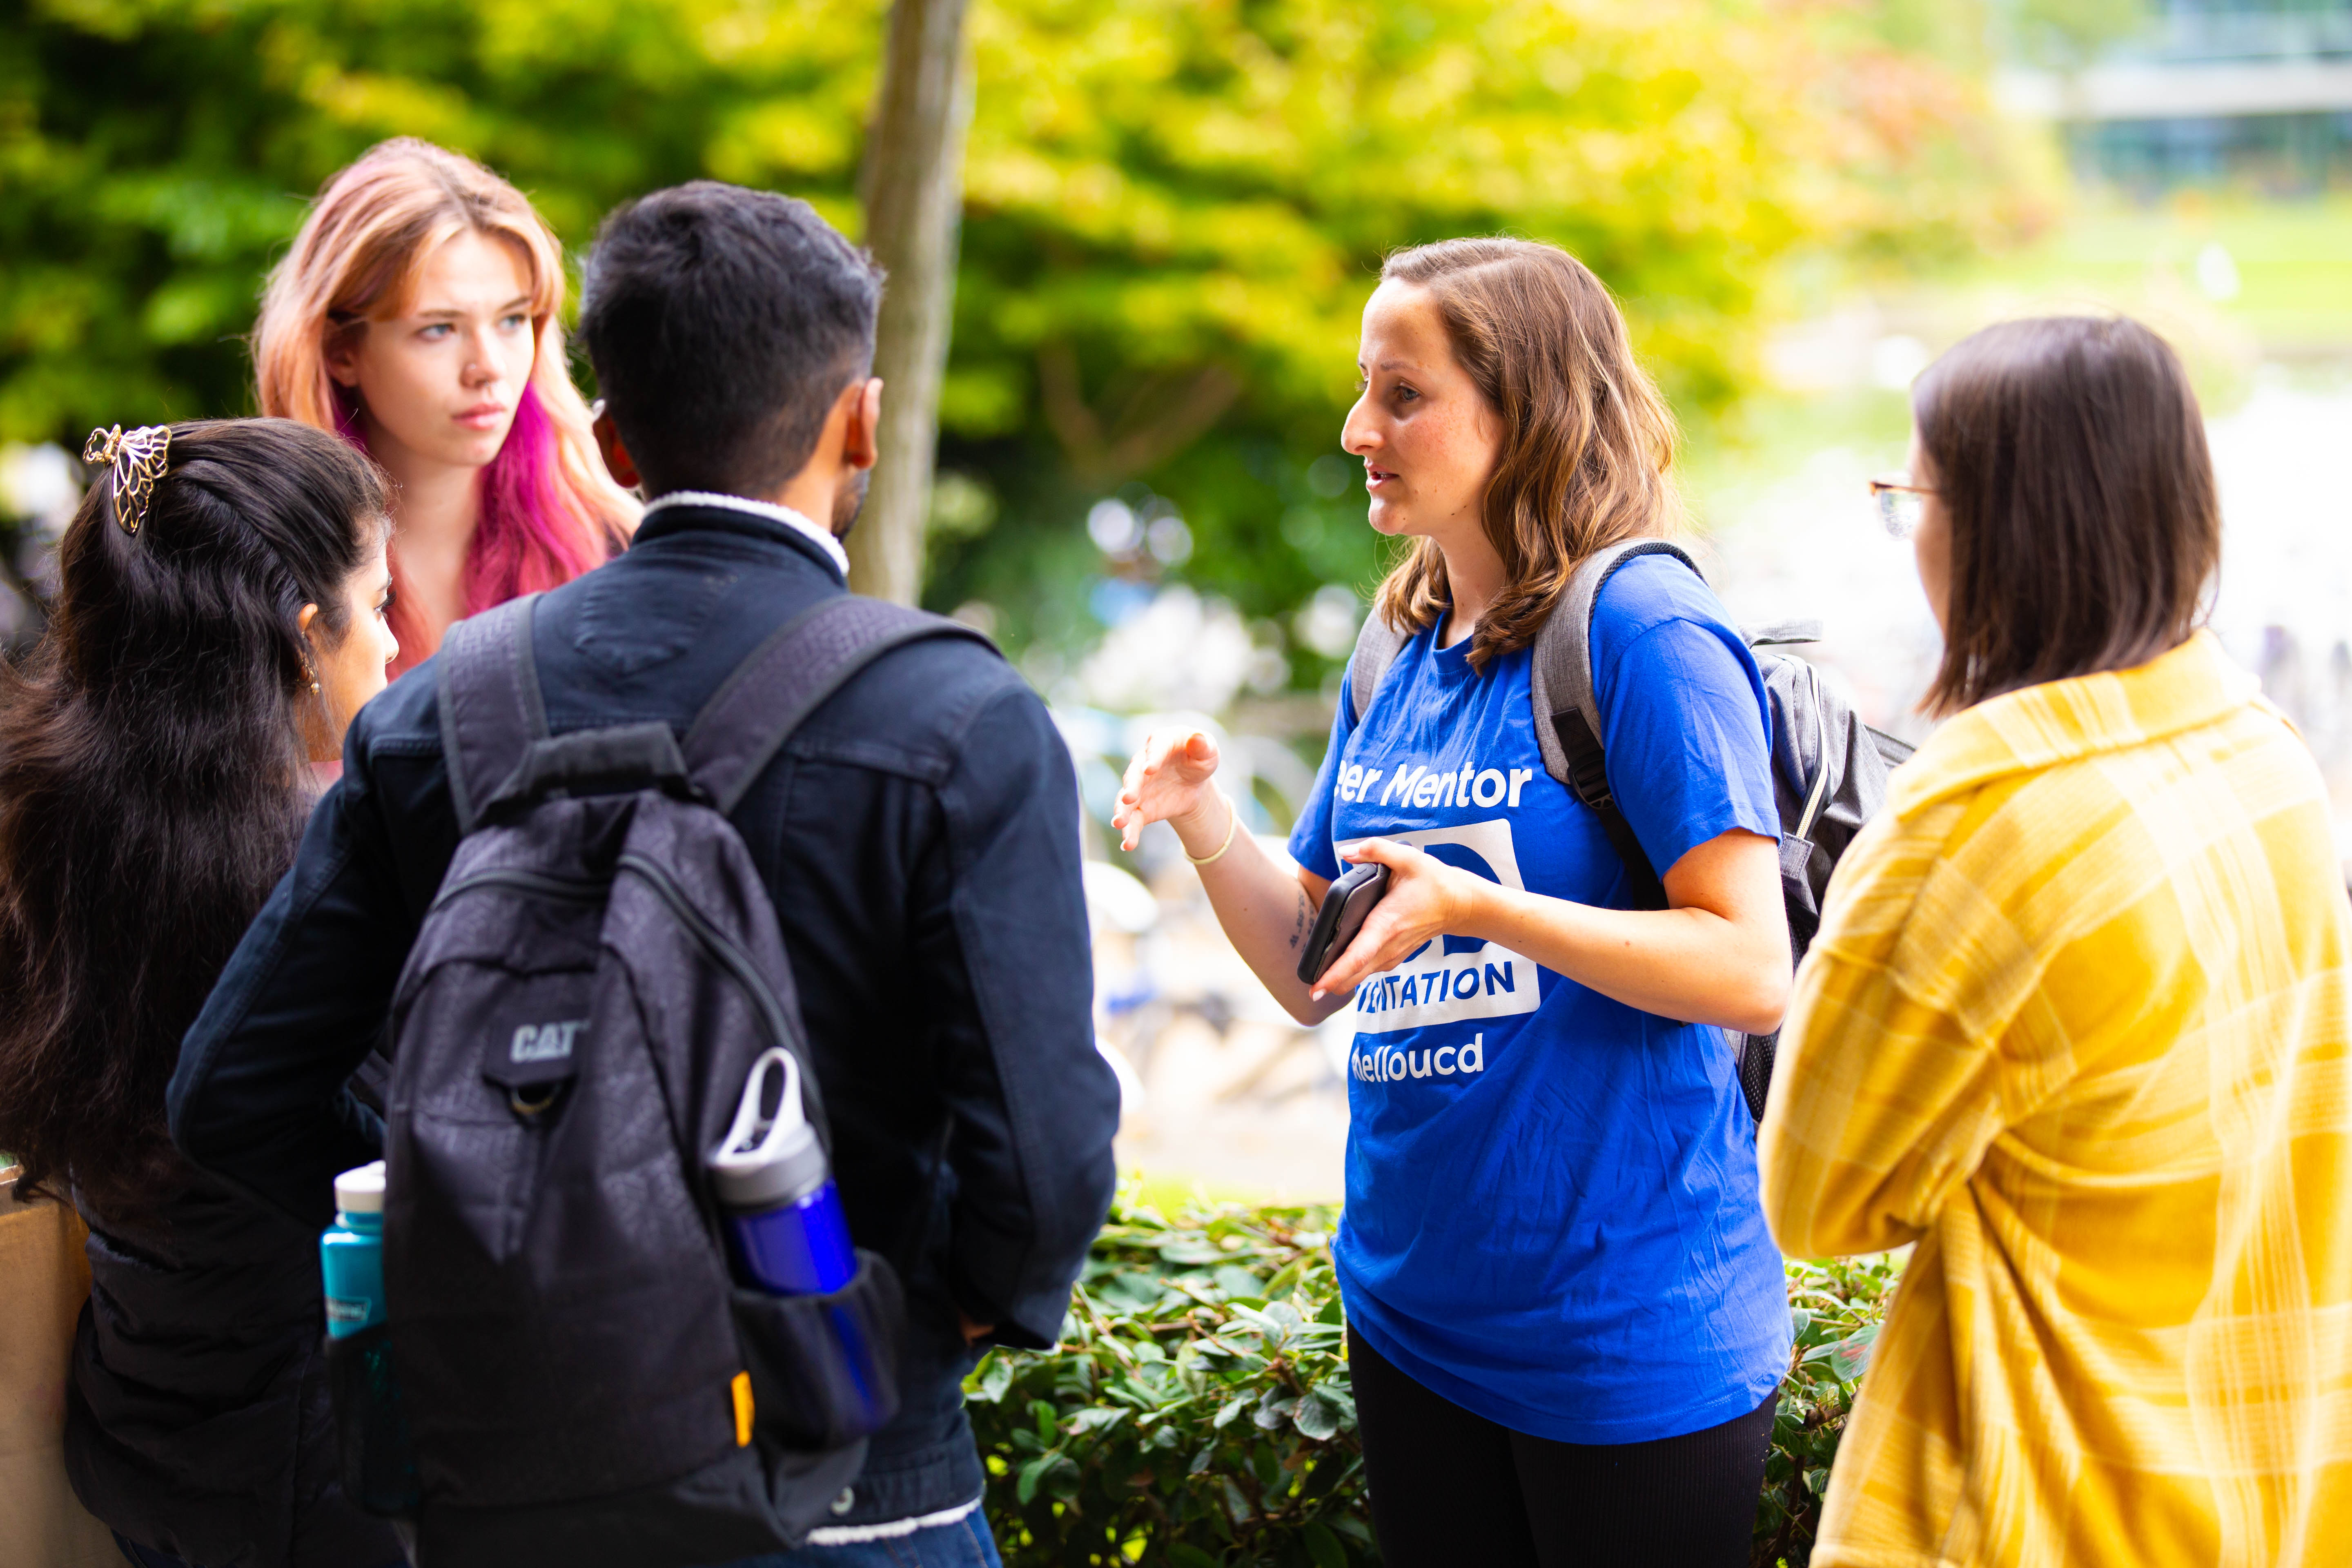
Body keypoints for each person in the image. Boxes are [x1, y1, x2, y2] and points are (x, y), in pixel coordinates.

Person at [169, 181, 1118, 1567]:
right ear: (860, 420)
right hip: (857, 1476)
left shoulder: (437, 712)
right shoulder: (958, 721)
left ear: (611, 435)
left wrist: (483, 1229)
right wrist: (929, 1324)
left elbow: (232, 1091)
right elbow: (1045, 1159)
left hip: (524, 1482)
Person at [1114, 237, 1793, 1567]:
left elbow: (1749, 965)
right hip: (1412, 1320)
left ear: (1524, 405)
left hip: (1619, 1334)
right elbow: (1317, 966)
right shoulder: (1400, 642)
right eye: (1366, 389)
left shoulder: (1644, 627)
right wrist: (1206, 821)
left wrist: (1484, 910)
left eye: (1404, 394)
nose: (1361, 427)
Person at [1760, 316, 2352, 1566]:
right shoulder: (2267, 761)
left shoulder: (1976, 825)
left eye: (1909, 495)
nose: (1906, 530)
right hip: (2260, 1485)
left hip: (2038, 1504)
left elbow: (1819, 1201)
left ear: (1992, 528)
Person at [0, 418, 403, 1568]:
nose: (393, 642)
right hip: (321, 1469)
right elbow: (382, 1173)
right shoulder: (320, 873)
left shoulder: (52, 823)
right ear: (301, 639)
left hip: (142, 1426)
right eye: (375, 605)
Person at [254, 137, 636, 672]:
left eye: (512, 320)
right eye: (438, 329)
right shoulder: (254, 572)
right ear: (342, 351)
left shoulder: (615, 552)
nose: (489, 367)